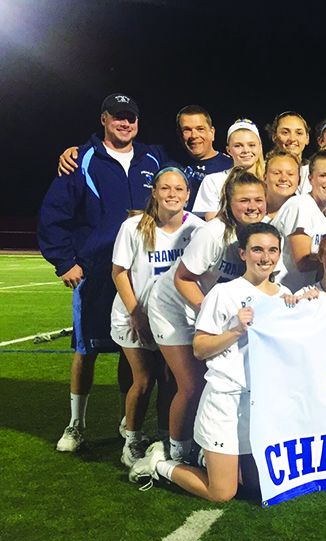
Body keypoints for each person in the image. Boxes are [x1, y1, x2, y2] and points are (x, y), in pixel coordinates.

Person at [38, 92, 169, 452]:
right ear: (104, 119)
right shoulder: (82, 159)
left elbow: (187, 183)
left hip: (140, 274)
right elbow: (53, 214)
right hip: (97, 272)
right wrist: (64, 262)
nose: (125, 123)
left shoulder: (154, 157)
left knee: (135, 347)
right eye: (118, 117)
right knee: (86, 349)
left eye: (131, 117)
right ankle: (76, 424)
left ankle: (130, 422)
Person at [129, 222, 291, 502]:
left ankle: (211, 460)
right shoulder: (223, 294)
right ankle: (158, 464)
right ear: (242, 254)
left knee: (258, 487)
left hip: (260, 404)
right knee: (222, 492)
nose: (265, 258)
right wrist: (236, 331)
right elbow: (200, 349)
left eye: (272, 250)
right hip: (225, 402)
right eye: (257, 250)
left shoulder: (285, 295)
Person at [146, 168, 267, 463]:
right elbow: (183, 278)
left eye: (258, 200)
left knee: (212, 382)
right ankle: (176, 453)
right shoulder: (213, 233)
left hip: (211, 310)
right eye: (244, 201)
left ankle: (203, 447)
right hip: (173, 306)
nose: (252, 207)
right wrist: (210, 315)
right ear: (228, 200)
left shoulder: (260, 231)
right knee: (191, 384)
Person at [110, 168, 204, 465]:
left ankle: (166, 437)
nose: (172, 195)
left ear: (188, 194)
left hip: (173, 318)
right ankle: (132, 440)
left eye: (179, 189)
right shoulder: (134, 226)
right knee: (144, 379)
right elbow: (119, 273)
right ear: (155, 192)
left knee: (172, 380)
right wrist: (136, 313)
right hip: (133, 314)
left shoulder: (198, 229)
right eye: (165, 189)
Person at [57, 104, 231, 213]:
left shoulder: (230, 166)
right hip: (175, 246)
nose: (194, 135)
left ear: (212, 132)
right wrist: (81, 151)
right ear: (180, 135)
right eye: (187, 130)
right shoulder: (164, 156)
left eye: (200, 129)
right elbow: (121, 147)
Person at [270, 146, 326, 292]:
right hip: (285, 295)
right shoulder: (301, 205)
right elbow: (302, 262)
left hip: (307, 297)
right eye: (324, 175)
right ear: (310, 179)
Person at [192, 119, 264, 219]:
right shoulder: (213, 181)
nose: (246, 150)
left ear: (260, 148)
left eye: (251, 145)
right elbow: (211, 220)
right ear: (228, 150)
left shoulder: (271, 180)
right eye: (238, 146)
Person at [267, 111, 311, 194]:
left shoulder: (314, 172)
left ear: (307, 138)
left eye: (299, 133)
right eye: (285, 132)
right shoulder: (263, 169)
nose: (292, 139)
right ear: (274, 136)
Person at [262, 149, 301, 221]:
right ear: (265, 177)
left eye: (290, 174)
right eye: (276, 173)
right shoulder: (254, 211)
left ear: (299, 180)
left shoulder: (306, 211)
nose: (284, 179)